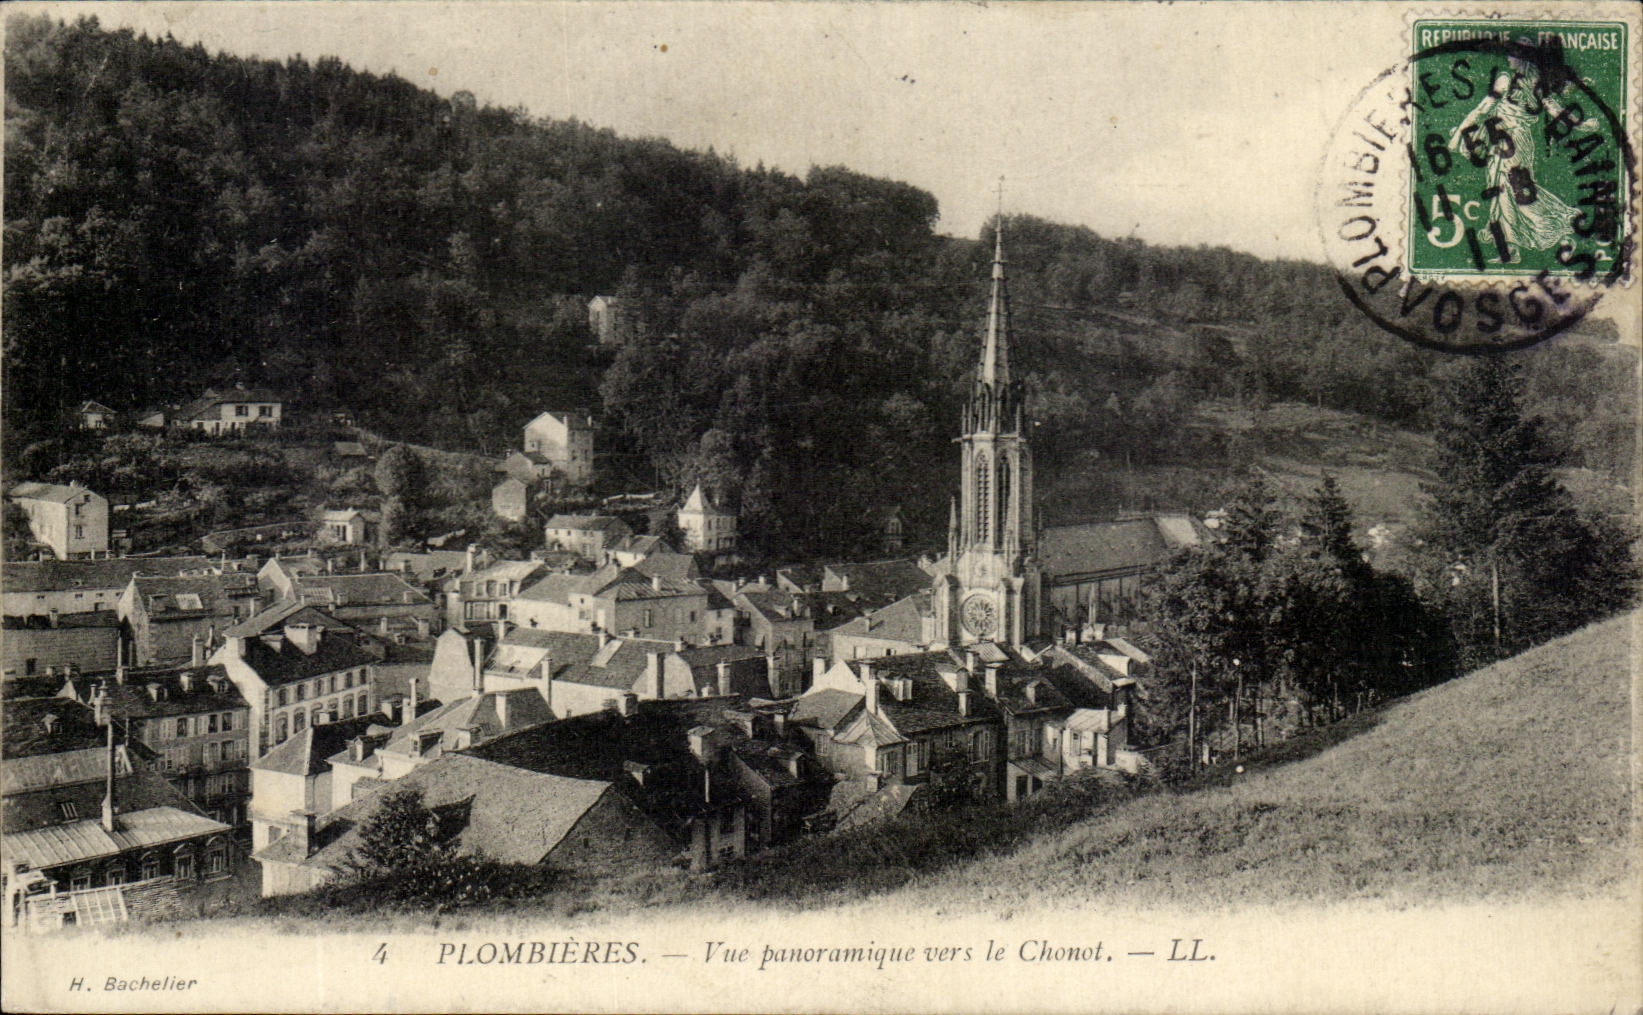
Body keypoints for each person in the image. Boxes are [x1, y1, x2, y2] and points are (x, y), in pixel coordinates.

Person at [1445, 54, 1597, 257]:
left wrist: (1458, 135)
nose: (1508, 59)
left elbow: (1483, 109)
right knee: (1506, 190)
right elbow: (1557, 111)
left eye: (1513, 55)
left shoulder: (1505, 80)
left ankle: (1553, 226)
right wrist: (1580, 125)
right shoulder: (1539, 86)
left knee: (1512, 191)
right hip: (1513, 141)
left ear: (1523, 60)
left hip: (1509, 142)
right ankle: (1510, 246)